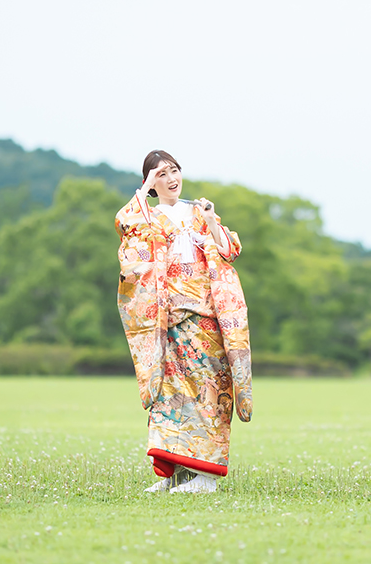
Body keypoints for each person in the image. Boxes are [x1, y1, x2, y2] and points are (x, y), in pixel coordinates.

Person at [115, 149, 252, 494]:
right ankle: (175, 472)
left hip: (205, 312)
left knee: (209, 391)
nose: (171, 179)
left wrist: (210, 221)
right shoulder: (147, 216)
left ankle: (205, 476)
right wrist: (144, 190)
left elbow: (230, 249)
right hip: (168, 316)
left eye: (173, 170)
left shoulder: (198, 210)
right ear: (150, 183)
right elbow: (125, 225)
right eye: (160, 174)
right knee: (169, 395)